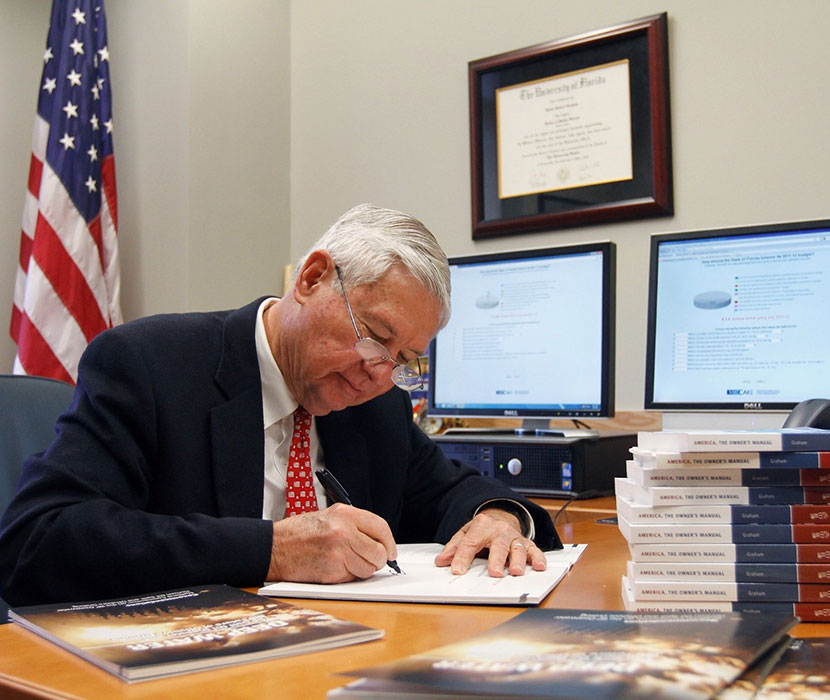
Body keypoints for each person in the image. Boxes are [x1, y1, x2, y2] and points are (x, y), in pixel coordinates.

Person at [0, 204, 561, 606]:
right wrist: (271, 550)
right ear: (314, 278)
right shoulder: (149, 366)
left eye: (404, 358)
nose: (379, 371)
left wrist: (499, 517)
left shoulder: (376, 405)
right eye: (373, 334)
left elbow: (448, 489)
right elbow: (38, 541)